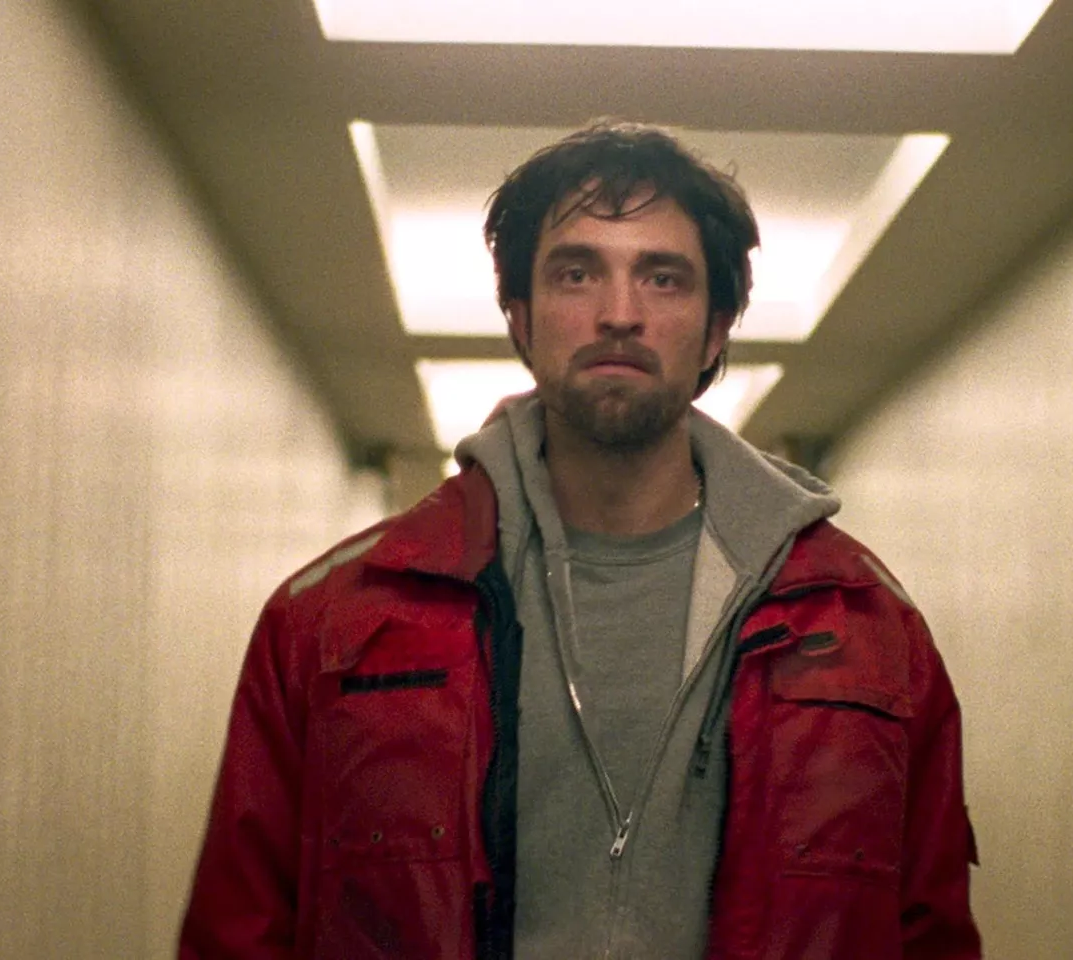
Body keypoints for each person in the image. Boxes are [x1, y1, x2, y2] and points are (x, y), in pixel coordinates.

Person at [179, 120, 981, 959]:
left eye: (663, 278)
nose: (619, 314)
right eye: (576, 273)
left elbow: (929, 935)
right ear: (520, 318)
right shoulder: (334, 623)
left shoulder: (866, 629)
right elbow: (239, 933)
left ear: (715, 329)